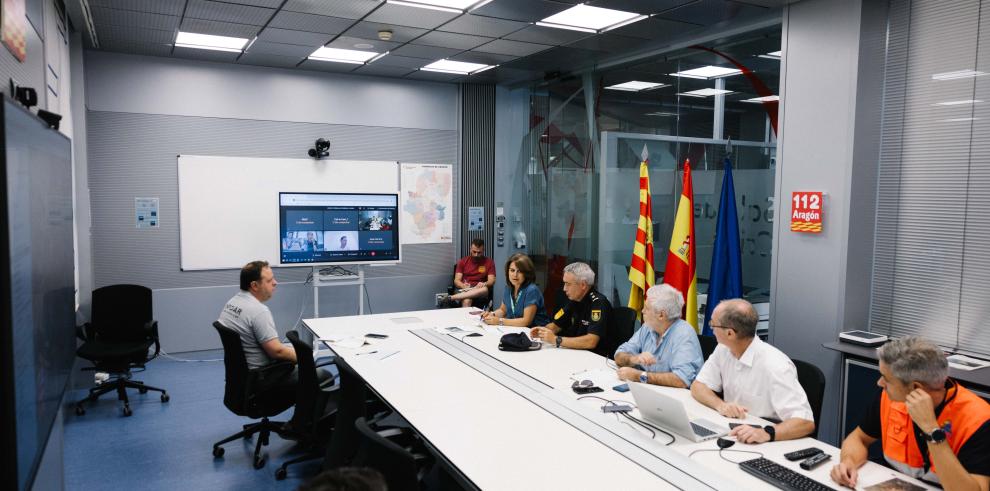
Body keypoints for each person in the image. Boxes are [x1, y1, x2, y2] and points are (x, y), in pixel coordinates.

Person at [830, 337, 990, 490]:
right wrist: (848, 461)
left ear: (916, 388)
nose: (879, 383)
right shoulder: (890, 398)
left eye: (886, 378)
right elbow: (859, 438)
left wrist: (931, 430)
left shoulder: (979, 419)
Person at [690, 298, 814, 443]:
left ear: (730, 333)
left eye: (713, 324)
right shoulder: (724, 348)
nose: (711, 328)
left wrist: (766, 433)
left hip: (766, 441)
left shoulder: (775, 365)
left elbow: (805, 422)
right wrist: (721, 405)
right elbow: (698, 386)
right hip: (733, 432)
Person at [217, 261, 330, 404]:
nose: (275, 283)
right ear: (254, 285)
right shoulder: (258, 311)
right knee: (322, 375)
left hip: (241, 381)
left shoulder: (232, 302)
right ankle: (303, 422)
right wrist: (305, 358)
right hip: (262, 380)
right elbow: (277, 352)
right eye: (269, 280)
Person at [613, 284, 703, 388]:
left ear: (661, 315)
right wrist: (634, 359)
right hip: (650, 391)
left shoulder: (684, 334)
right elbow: (618, 355)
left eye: (647, 308)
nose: (642, 311)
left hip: (677, 398)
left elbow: (682, 380)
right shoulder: (648, 327)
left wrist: (639, 376)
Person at [530, 262, 611, 351]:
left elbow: (591, 342)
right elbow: (556, 326)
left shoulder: (599, 303)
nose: (564, 288)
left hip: (595, 357)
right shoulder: (575, 300)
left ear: (583, 285)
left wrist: (556, 340)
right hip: (576, 352)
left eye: (568, 284)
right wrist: (542, 331)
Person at [481, 253, 550, 328]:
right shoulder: (508, 288)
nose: (515, 275)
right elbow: (503, 310)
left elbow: (526, 321)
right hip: (515, 329)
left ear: (527, 273)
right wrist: (492, 314)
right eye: (512, 270)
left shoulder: (532, 290)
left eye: (519, 271)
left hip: (534, 333)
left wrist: (499, 321)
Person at [444, 238, 496, 307]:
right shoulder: (463, 261)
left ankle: (451, 298)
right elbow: (456, 280)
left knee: (485, 289)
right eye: (474, 252)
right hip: (465, 288)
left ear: (483, 251)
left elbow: (491, 281)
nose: (476, 255)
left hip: (479, 289)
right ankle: (464, 317)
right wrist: (463, 286)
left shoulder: (489, 262)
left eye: (479, 252)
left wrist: (484, 283)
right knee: (467, 301)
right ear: (470, 249)